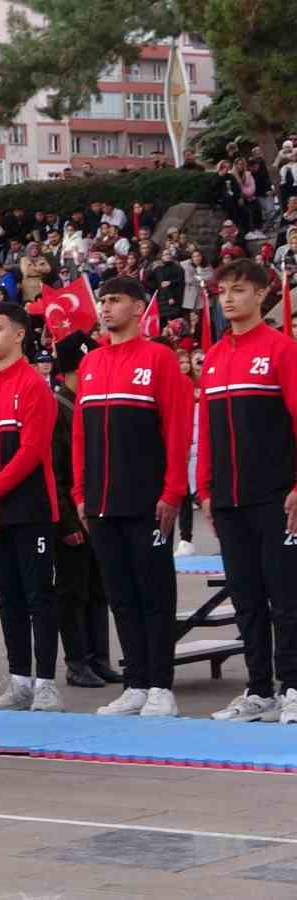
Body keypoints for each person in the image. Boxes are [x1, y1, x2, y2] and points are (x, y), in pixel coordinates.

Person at [74, 277, 191, 717]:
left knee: (154, 593)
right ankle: (136, 682)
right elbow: (83, 434)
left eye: (114, 300)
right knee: (120, 594)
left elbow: (177, 430)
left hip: (147, 500)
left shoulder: (159, 359)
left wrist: (173, 491)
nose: (104, 307)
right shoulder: (92, 363)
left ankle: (162, 684)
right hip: (102, 502)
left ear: (138, 308)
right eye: (101, 300)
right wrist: (80, 492)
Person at [198, 259, 297, 724]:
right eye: (223, 291)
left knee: (286, 595)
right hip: (229, 500)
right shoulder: (215, 357)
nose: (229, 298)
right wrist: (205, 490)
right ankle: (259, 690)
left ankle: (292, 685)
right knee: (246, 598)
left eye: (239, 290)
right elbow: (210, 429)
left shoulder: (281, 350)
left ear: (262, 295)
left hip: (275, 497)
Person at [0, 303, 61, 712]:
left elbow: (32, 451)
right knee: (8, 598)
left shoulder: (34, 385)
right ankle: (19, 679)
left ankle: (46, 683)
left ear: (20, 334)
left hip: (30, 509)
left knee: (39, 596)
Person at [49, 335, 121, 689]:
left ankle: (99, 657)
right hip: (71, 516)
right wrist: (66, 521)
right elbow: (55, 472)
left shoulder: (86, 404)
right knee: (72, 591)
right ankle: (77, 661)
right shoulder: (58, 408)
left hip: (96, 511)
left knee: (98, 589)